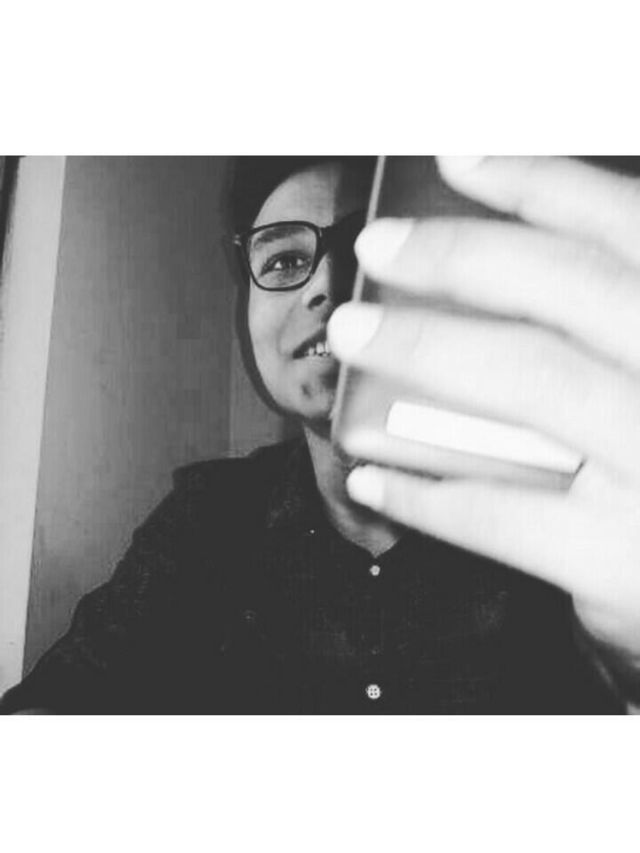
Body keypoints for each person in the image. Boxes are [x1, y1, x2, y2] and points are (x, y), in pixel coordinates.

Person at [1, 155, 637, 713]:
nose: (327, 287)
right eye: (283, 260)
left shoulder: (576, 516)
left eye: (361, 247)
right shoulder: (206, 520)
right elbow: (67, 696)